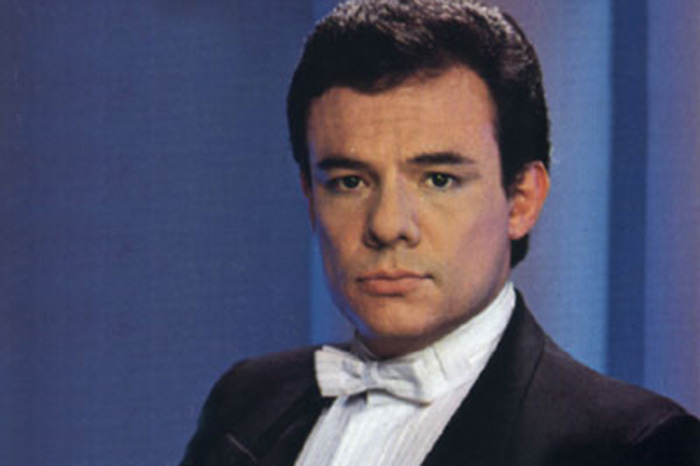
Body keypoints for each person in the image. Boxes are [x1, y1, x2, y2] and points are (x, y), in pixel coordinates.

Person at [180, 0, 700, 464]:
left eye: (438, 179)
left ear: (522, 199)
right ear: (311, 199)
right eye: (350, 182)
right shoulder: (245, 402)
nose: (387, 226)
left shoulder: (630, 447)